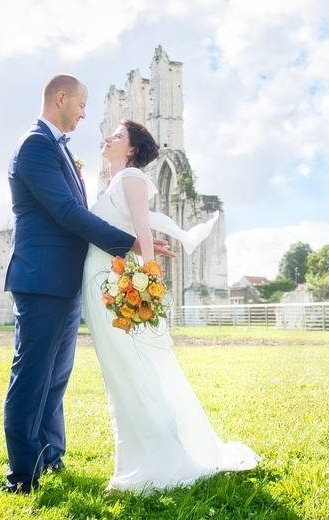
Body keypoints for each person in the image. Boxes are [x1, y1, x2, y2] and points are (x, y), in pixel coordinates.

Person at [2, 74, 173, 493]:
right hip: (41, 279)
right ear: (61, 98)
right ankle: (23, 474)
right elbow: (66, 213)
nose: (83, 113)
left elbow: (77, 210)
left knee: (55, 379)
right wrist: (128, 243)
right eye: (80, 105)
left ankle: (51, 456)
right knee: (31, 377)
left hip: (64, 282)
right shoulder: (35, 145)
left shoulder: (57, 149)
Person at [81, 119, 259, 493]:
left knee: (131, 369)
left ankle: (159, 461)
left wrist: (147, 275)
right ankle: (137, 456)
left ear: (130, 149)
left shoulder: (131, 177)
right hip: (100, 277)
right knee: (120, 372)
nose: (107, 138)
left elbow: (144, 229)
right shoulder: (115, 181)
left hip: (112, 280)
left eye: (117, 136)